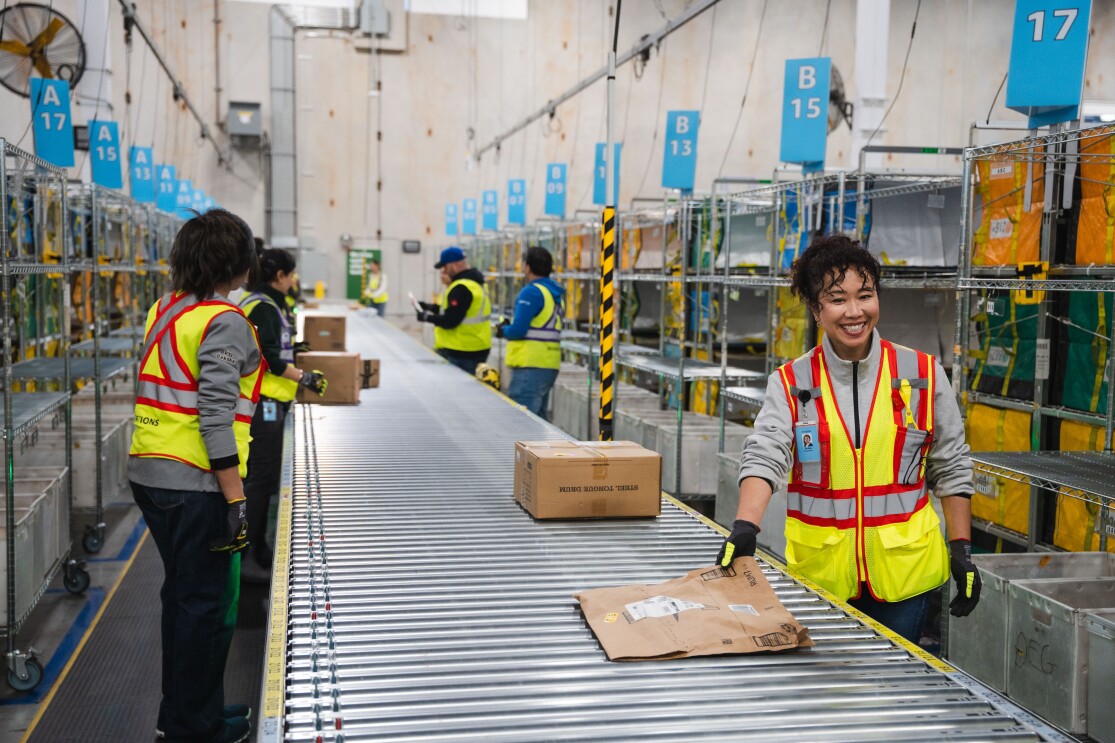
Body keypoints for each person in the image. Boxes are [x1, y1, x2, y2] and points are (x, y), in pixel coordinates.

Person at [716, 234, 981, 644]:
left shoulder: (923, 374)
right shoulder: (791, 383)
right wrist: (744, 527)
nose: (855, 311)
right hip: (821, 575)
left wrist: (961, 548)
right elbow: (765, 454)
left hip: (905, 576)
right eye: (838, 298)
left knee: (889, 690)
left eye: (866, 295)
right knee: (827, 695)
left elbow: (950, 462)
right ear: (816, 310)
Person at [128, 209, 262, 743]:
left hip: (151, 476)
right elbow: (213, 412)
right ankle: (193, 728)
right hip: (198, 485)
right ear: (240, 262)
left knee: (182, 599)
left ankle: (191, 711)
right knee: (205, 608)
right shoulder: (223, 320)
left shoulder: (166, 308)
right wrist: (236, 499)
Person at [238, 247, 327, 582]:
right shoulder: (262, 306)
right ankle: (249, 555)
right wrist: (305, 378)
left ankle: (258, 546)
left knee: (264, 478)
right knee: (259, 481)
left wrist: (297, 349)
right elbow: (270, 359)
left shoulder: (269, 303)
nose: (294, 279)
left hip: (270, 401)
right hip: (264, 403)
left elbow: (278, 346)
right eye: (291, 274)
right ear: (280, 276)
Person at [497, 246, 565, 419]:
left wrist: (503, 330)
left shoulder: (531, 292)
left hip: (530, 364)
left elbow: (518, 330)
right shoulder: (554, 293)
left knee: (521, 422)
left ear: (527, 267)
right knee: (538, 424)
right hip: (549, 364)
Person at [416, 246, 492, 374]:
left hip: (461, 350)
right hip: (478, 345)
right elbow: (460, 311)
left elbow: (451, 320)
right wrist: (428, 307)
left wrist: (427, 317)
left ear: (456, 265)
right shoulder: (476, 283)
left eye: (445, 267)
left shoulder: (461, 287)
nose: (444, 271)